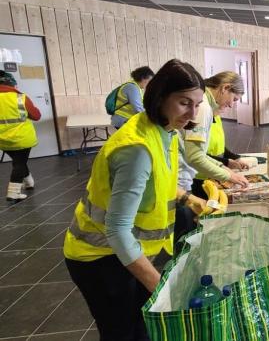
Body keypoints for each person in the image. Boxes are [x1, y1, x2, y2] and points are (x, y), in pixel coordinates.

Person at [63, 59, 213, 341]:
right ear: (160, 97)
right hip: (99, 257)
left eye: (198, 104)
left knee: (142, 327)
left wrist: (188, 198)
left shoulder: (162, 130)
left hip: (130, 252)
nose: (192, 113)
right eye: (184, 102)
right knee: (121, 332)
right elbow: (117, 230)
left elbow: (154, 186)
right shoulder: (136, 149)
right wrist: (160, 286)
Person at [178, 71, 249, 201]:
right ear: (225, 88)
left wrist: (223, 167)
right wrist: (228, 176)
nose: (231, 105)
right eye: (234, 99)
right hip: (182, 179)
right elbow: (194, 157)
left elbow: (198, 154)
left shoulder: (206, 104)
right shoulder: (204, 107)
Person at [0, 71, 41, 201]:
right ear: (11, 83)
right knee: (19, 163)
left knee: (19, 162)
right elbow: (36, 116)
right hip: (22, 138)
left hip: (2, 140)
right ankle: (13, 193)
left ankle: (29, 182)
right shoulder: (20, 97)